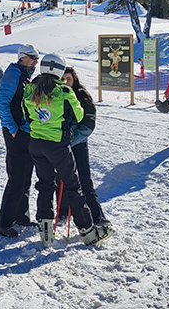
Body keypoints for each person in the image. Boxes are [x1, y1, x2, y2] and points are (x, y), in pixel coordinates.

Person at [23, 53, 110, 247]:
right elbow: (78, 115)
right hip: (57, 144)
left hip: (36, 143)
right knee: (73, 185)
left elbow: (25, 113)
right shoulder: (63, 91)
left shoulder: (31, 88)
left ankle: (45, 233)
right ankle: (87, 230)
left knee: (45, 185)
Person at [0, 44, 39, 238]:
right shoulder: (13, 74)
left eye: (37, 57)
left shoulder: (24, 74)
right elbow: (1, 104)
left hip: (24, 131)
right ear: (22, 57)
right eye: (33, 57)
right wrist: (13, 130)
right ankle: (4, 223)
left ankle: (21, 216)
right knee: (16, 178)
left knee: (26, 177)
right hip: (16, 133)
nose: (36, 60)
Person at [57, 66, 110, 229]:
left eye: (69, 79)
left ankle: (98, 216)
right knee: (61, 179)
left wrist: (72, 140)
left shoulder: (81, 95)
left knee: (84, 180)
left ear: (75, 80)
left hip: (77, 143)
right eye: (63, 79)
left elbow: (88, 124)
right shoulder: (56, 94)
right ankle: (63, 212)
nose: (66, 82)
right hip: (60, 144)